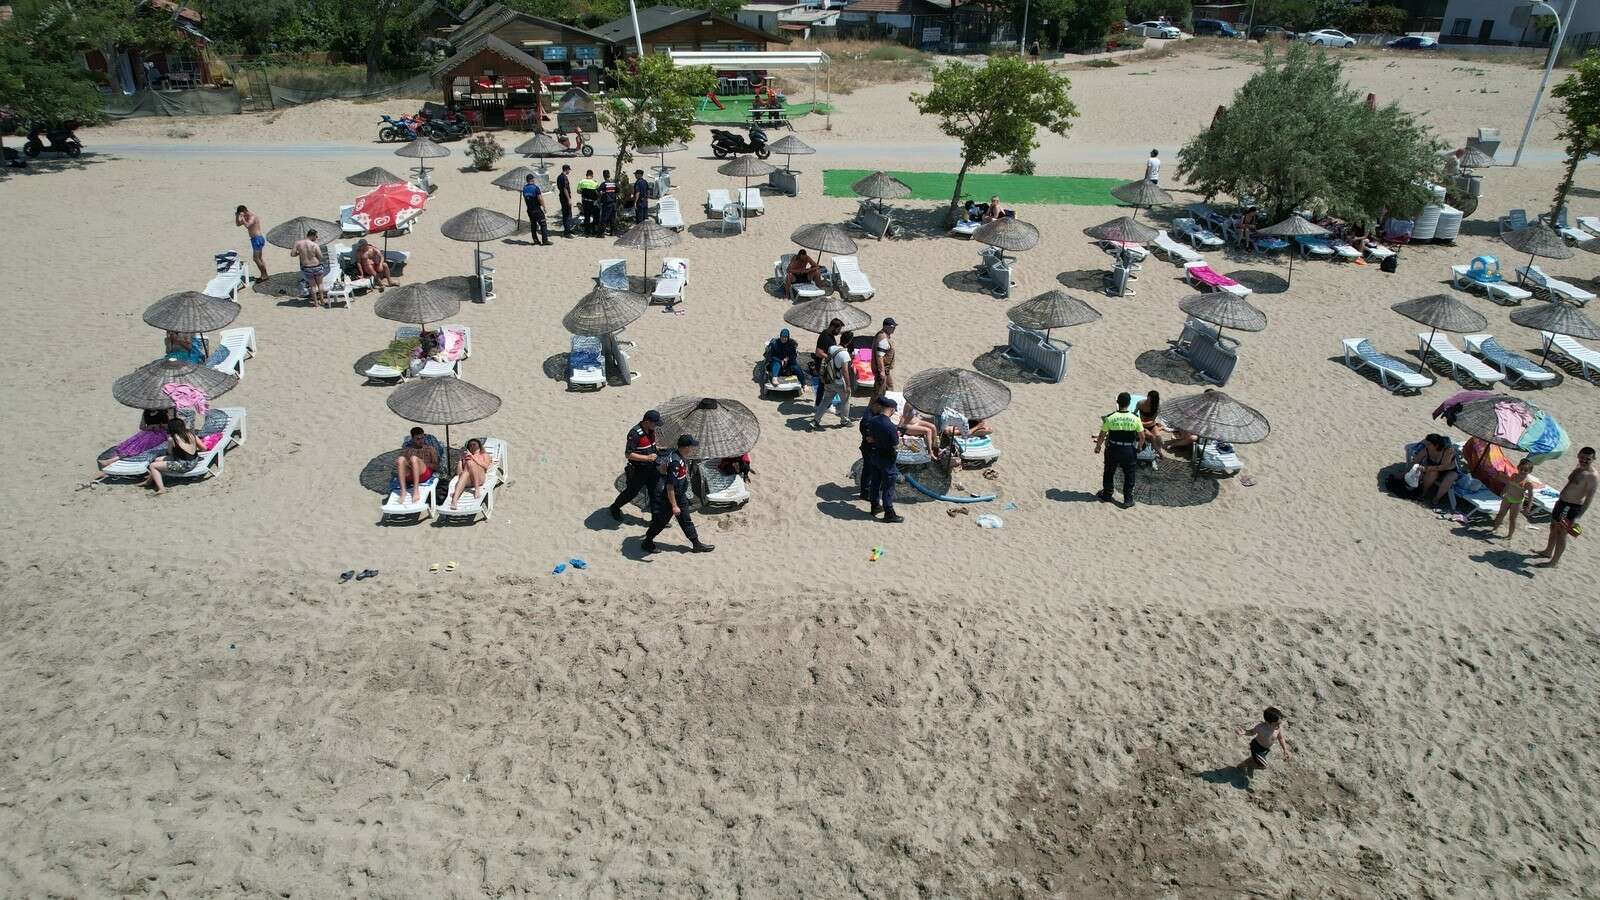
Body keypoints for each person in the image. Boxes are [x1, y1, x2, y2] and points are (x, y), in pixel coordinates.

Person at [642, 435, 715, 553]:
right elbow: (670, 486)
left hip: (680, 495)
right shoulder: (675, 462)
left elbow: (663, 468)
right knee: (661, 522)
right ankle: (647, 542)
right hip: (671, 498)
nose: (692, 449)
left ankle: (696, 544)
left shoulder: (677, 455)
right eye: (691, 446)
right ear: (686, 447)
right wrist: (674, 505)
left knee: (685, 520)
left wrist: (664, 471)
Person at [1534, 446, 1596, 569]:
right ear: (1578, 455)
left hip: (1571, 507)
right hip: (1561, 503)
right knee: (1553, 527)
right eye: (1582, 457)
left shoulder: (1592, 476)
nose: (1584, 460)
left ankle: (1554, 562)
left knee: (1561, 534)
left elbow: (1589, 499)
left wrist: (1578, 517)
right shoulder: (1578, 468)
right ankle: (1548, 551)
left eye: (1588, 459)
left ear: (1594, 459)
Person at [608, 409, 660, 520]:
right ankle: (615, 507)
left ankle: (656, 519)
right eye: (655, 423)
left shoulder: (651, 430)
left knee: (655, 492)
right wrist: (647, 458)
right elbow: (628, 454)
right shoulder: (635, 434)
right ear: (647, 422)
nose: (656, 426)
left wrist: (657, 450)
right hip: (639, 470)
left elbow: (649, 446)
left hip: (652, 468)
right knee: (631, 493)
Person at [1094, 392, 1143, 508]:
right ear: (1129, 403)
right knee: (1129, 474)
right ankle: (1128, 499)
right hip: (1129, 450)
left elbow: (1102, 434)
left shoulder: (1110, 417)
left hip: (1113, 449)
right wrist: (1139, 447)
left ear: (1118, 403)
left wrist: (1098, 446)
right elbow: (1142, 437)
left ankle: (1107, 494)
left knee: (1109, 471)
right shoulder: (1135, 418)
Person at [860, 395, 904, 522]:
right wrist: (900, 440)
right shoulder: (890, 426)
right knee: (888, 486)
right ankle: (889, 513)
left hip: (874, 455)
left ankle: (874, 506)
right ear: (891, 409)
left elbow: (869, 439)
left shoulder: (873, 420)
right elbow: (896, 445)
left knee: (875, 482)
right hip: (887, 459)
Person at [141, 418, 203, 495]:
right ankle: (149, 481)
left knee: (152, 466)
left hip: (184, 465)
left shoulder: (172, 438)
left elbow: (170, 453)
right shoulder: (191, 434)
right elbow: (204, 448)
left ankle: (161, 489)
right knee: (157, 460)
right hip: (194, 460)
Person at [98, 408, 174, 471]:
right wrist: (150, 427)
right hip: (147, 432)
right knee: (131, 443)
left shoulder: (164, 412)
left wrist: (160, 425)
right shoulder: (146, 412)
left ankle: (112, 460)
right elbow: (142, 427)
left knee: (139, 446)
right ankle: (114, 459)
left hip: (161, 434)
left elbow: (170, 426)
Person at [1236, 706, 1291, 776]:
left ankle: (1243, 764)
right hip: (1257, 747)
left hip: (1265, 748)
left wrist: (1285, 749)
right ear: (1267, 722)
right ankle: (1247, 765)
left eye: (1279, 723)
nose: (1278, 726)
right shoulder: (1261, 727)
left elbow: (1281, 738)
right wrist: (1245, 732)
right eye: (1276, 724)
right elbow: (1252, 732)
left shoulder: (1277, 729)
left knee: (1255, 759)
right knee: (1264, 766)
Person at [1408, 434, 1458, 507]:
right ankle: (1424, 492)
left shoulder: (1448, 451)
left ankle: (1437, 498)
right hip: (1435, 467)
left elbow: (1444, 467)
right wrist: (1408, 471)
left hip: (1449, 469)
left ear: (1436, 445)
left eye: (1429, 444)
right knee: (1432, 472)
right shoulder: (1427, 449)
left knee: (1450, 478)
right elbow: (1416, 461)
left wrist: (1426, 468)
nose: (1426, 445)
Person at [1492, 458, 1535, 540]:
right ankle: (1495, 528)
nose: (1522, 471)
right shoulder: (1514, 476)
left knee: (1512, 519)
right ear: (1518, 468)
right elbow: (1508, 484)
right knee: (1501, 514)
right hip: (1507, 497)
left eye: (1525, 470)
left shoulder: (1528, 483)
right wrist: (1503, 491)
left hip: (1517, 502)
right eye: (1521, 469)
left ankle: (1510, 535)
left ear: (1530, 471)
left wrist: (1528, 507)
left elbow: (1530, 495)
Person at [395, 426, 439, 505]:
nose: (421, 441)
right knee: (400, 459)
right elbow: (400, 465)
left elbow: (436, 466)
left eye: (422, 438)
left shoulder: (430, 449)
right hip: (410, 475)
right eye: (418, 439)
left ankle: (416, 490)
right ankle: (403, 491)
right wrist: (407, 464)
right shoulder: (407, 450)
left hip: (424, 474)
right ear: (412, 439)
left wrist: (420, 463)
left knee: (414, 458)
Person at [813, 343, 853, 430]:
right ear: (848, 342)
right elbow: (845, 371)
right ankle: (844, 421)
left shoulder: (831, 348)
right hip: (839, 383)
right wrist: (848, 385)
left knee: (825, 401)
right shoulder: (845, 354)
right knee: (845, 401)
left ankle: (815, 420)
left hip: (829, 380)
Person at [447, 438, 493, 510]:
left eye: (474, 444)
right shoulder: (467, 457)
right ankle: (454, 500)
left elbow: (486, 466)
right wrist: (461, 460)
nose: (472, 446)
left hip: (480, 478)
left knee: (470, 462)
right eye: (470, 445)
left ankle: (475, 489)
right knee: (467, 469)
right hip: (468, 481)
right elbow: (459, 473)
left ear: (479, 445)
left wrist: (473, 458)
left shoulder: (484, 455)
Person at [292, 228, 328, 308]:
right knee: (320, 284)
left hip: (307, 268)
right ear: (312, 235)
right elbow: (320, 257)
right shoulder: (314, 245)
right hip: (317, 266)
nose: (317, 238)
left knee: (312, 286)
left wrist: (300, 253)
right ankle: (322, 301)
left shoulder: (298, 243)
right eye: (316, 236)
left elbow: (292, 254)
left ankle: (316, 303)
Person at [235, 205, 268, 281]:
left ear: (244, 211)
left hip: (257, 239)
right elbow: (238, 224)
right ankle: (264, 274)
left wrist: (242, 217)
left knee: (256, 258)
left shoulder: (252, 217)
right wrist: (237, 216)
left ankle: (264, 275)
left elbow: (247, 225)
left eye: (241, 214)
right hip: (255, 239)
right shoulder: (246, 217)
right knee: (259, 258)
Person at [871, 318, 897, 398]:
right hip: (882, 370)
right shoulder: (882, 338)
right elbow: (879, 356)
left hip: (885, 370)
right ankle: (875, 405)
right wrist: (882, 372)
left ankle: (884, 404)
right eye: (892, 327)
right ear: (885, 327)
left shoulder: (883, 335)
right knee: (879, 392)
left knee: (889, 388)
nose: (894, 329)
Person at [523, 174, 550, 246]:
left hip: (529, 209)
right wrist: (544, 207)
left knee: (533, 225)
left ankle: (535, 240)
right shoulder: (535, 188)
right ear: (532, 179)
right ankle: (545, 241)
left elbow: (525, 199)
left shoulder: (524, 188)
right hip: (536, 209)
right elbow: (540, 199)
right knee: (543, 224)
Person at [1135, 390, 1163, 457]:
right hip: (1142, 425)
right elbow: (1134, 414)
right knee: (1152, 437)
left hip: (1151, 425)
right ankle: (1159, 452)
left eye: (1150, 400)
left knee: (1158, 438)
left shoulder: (1157, 407)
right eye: (1148, 398)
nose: (1148, 401)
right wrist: (1139, 424)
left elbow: (1152, 420)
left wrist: (1141, 423)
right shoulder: (1140, 403)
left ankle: (1158, 450)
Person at [577, 169, 600, 237]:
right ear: (592, 175)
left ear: (586, 175)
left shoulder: (581, 182)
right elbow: (598, 193)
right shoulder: (595, 183)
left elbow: (578, 191)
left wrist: (584, 192)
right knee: (595, 216)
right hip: (592, 202)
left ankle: (587, 232)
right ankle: (594, 230)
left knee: (587, 216)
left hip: (585, 202)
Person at [556, 164, 575, 238]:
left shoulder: (559, 177)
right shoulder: (564, 177)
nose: (569, 171)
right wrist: (568, 199)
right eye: (569, 170)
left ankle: (568, 229)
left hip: (562, 197)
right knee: (567, 215)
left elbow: (559, 187)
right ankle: (567, 232)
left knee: (567, 214)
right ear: (566, 169)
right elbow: (565, 189)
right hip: (565, 198)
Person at [599, 169, 619, 236]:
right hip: (613, 203)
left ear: (603, 176)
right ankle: (612, 232)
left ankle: (601, 233)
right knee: (612, 218)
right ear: (609, 175)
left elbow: (599, 192)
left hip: (607, 203)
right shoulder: (613, 183)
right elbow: (618, 190)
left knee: (604, 218)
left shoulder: (604, 184)